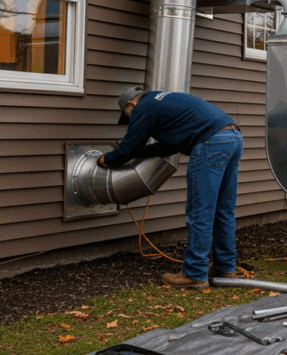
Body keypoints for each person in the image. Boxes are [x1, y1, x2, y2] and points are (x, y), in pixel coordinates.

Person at [98, 86, 242, 288]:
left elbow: (131, 144)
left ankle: (195, 274)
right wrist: (139, 154)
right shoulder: (162, 101)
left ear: (131, 104)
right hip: (232, 137)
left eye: (128, 116)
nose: (131, 120)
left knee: (200, 210)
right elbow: (167, 146)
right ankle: (225, 269)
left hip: (210, 142)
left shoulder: (144, 107)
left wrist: (110, 159)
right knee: (223, 209)